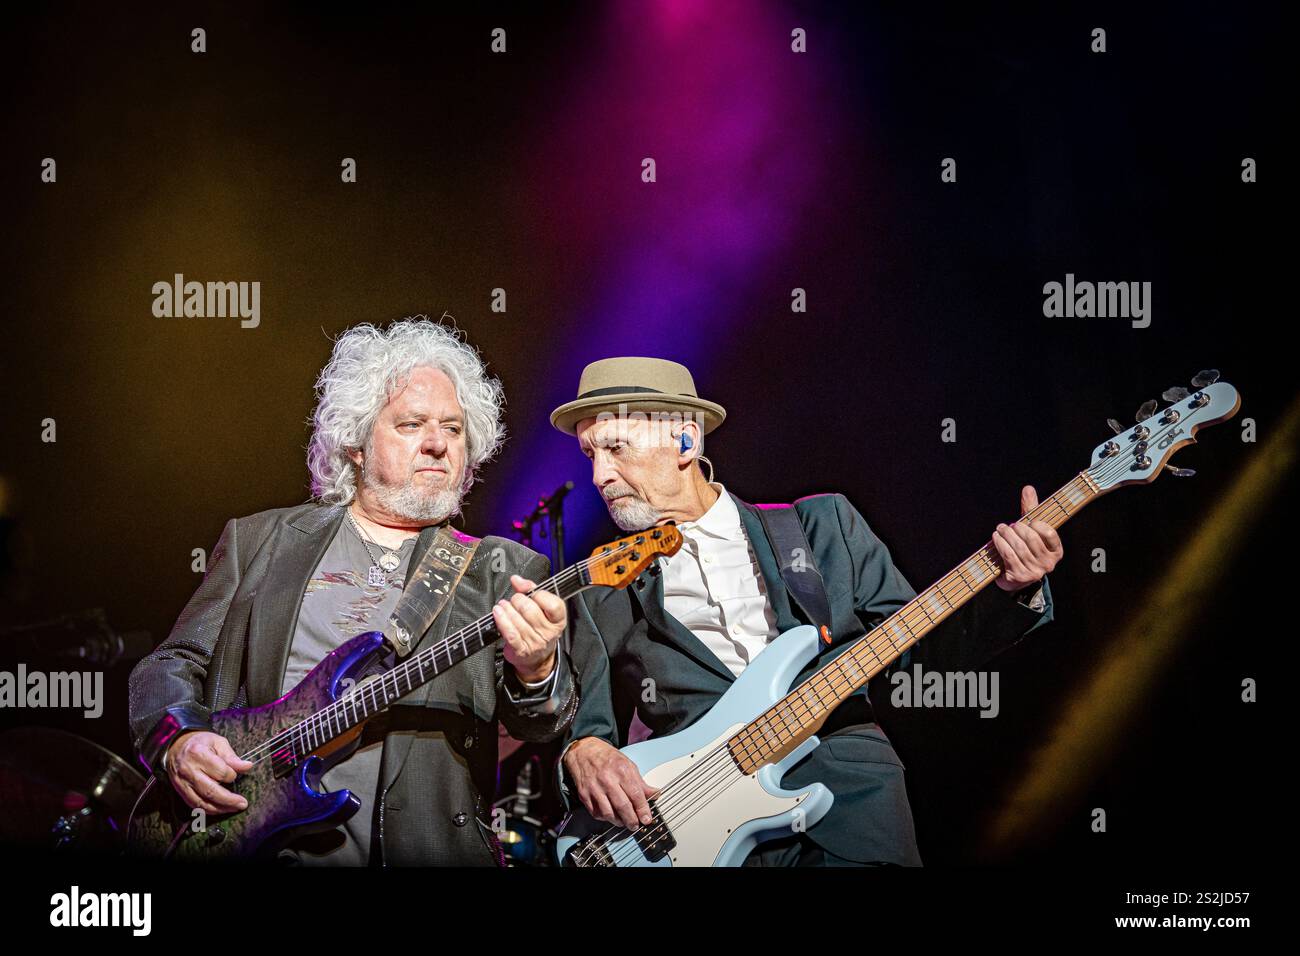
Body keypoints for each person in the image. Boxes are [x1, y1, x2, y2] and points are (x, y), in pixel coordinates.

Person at [551, 357, 1062, 865]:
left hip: (850, 805)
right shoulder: (601, 593)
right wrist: (583, 753)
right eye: (590, 454)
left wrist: (1013, 588)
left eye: (616, 448)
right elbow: (588, 728)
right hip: (697, 835)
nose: (599, 475)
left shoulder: (821, 527)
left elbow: (921, 656)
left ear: (686, 441)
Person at [128, 318, 576, 865]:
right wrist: (179, 740)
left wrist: (536, 668)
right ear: (357, 444)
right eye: (412, 424)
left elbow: (541, 724)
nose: (438, 444)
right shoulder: (261, 541)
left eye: (454, 429)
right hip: (245, 840)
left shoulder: (501, 568)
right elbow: (172, 662)